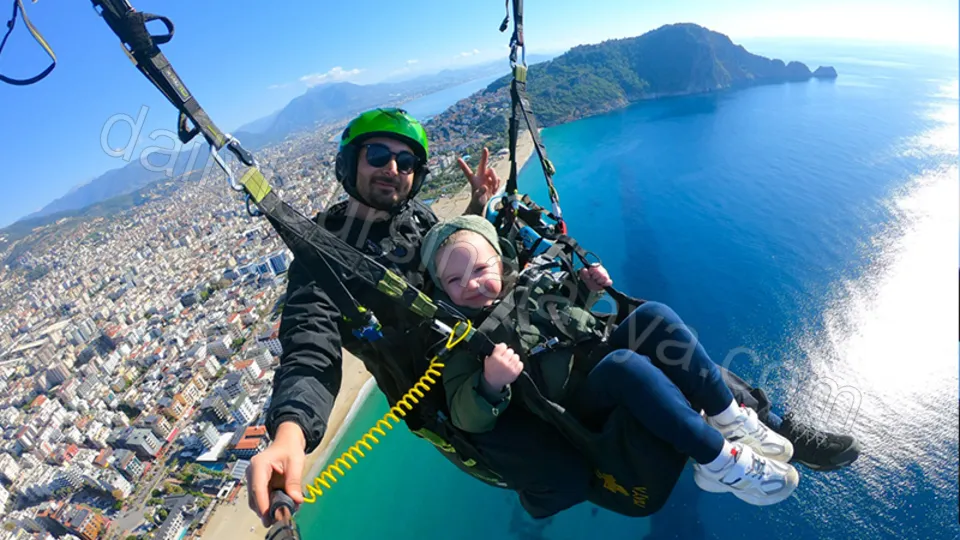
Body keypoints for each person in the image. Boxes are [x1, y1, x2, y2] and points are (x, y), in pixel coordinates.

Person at [249, 107, 860, 524]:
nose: (394, 169)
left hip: (510, 343)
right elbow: (310, 347)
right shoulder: (322, 256)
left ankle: (763, 419)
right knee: (563, 476)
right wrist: (290, 432)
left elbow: (465, 271)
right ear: (350, 164)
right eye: (378, 156)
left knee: (653, 330)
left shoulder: (420, 223)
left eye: (406, 161)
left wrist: (479, 211)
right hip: (456, 394)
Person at [420, 215, 851, 506]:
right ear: (442, 290)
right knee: (625, 366)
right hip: (575, 408)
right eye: (454, 280)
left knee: (653, 316)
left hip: (596, 364)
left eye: (479, 269)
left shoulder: (529, 287)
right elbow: (465, 415)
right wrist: (490, 384)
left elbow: (570, 320)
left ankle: (732, 419)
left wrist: (586, 287)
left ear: (501, 260)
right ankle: (724, 464)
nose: (471, 285)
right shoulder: (463, 341)